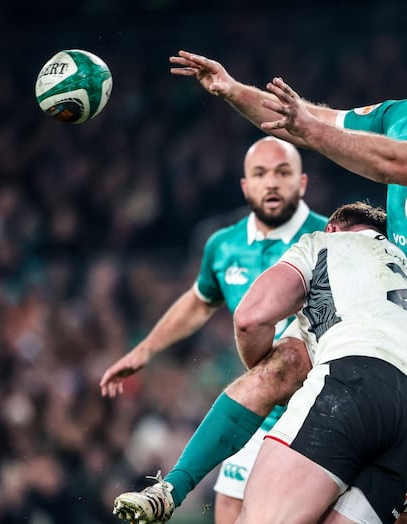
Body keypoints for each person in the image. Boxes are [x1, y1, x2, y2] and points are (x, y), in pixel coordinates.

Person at [114, 4, 407, 523]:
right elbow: (304, 121)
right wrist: (233, 89)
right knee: (281, 366)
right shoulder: (403, 116)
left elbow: (392, 161)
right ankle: (170, 489)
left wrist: (311, 129)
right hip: (368, 319)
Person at [103, 136, 328, 524]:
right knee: (228, 511)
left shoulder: (329, 238)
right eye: (260, 174)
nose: (271, 183)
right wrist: (146, 349)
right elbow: (199, 301)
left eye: (282, 173)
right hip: (252, 410)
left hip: (317, 411)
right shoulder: (223, 245)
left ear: (302, 183)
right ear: (245, 186)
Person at [232, 202, 407, 523]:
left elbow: (250, 319)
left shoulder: (325, 243)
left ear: (333, 228)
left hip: (353, 383)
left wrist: (262, 375)